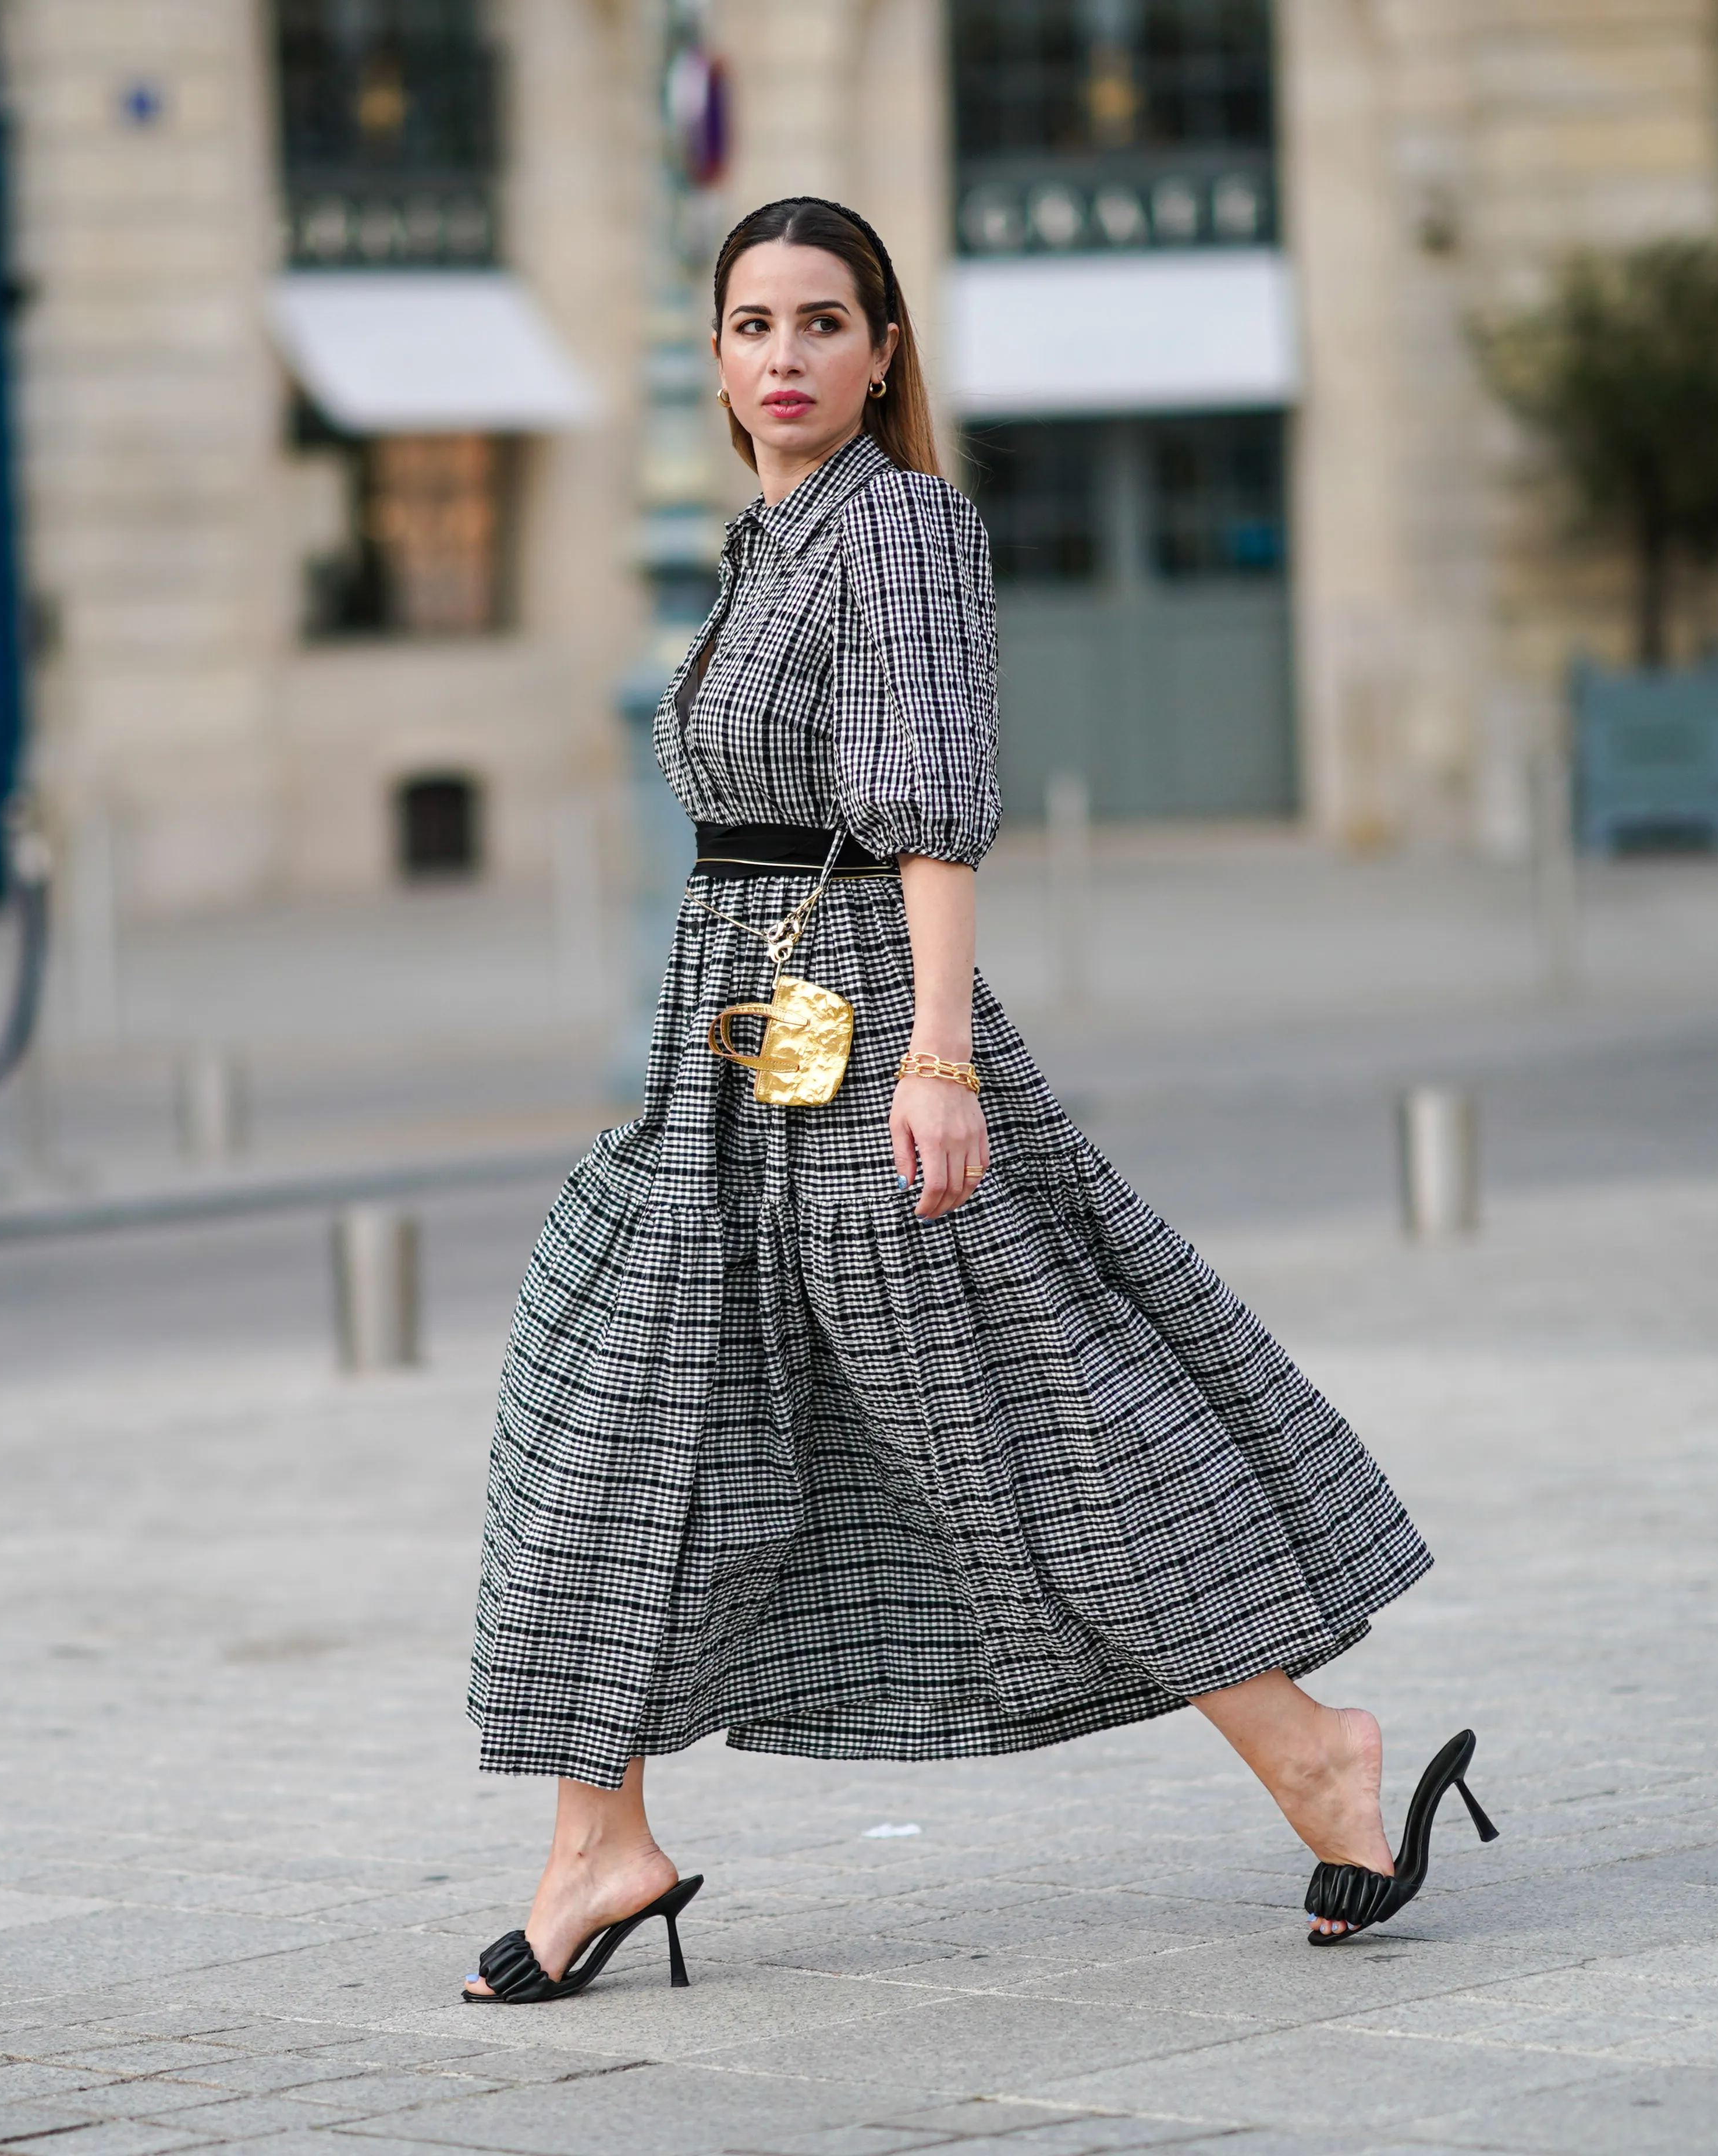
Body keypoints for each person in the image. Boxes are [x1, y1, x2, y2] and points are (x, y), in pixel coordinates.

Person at [459, 197, 1486, 2005]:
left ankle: (1314, 1754)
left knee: (1018, 1426)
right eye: (752, 325)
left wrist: (937, 1061)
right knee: (618, 1414)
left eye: (821, 325)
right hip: (729, 1053)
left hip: (862, 1037)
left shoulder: (907, 530)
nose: (782, 358)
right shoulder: (762, 544)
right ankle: (597, 1838)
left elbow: (927, 807)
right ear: (713, 355)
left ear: (881, 354)